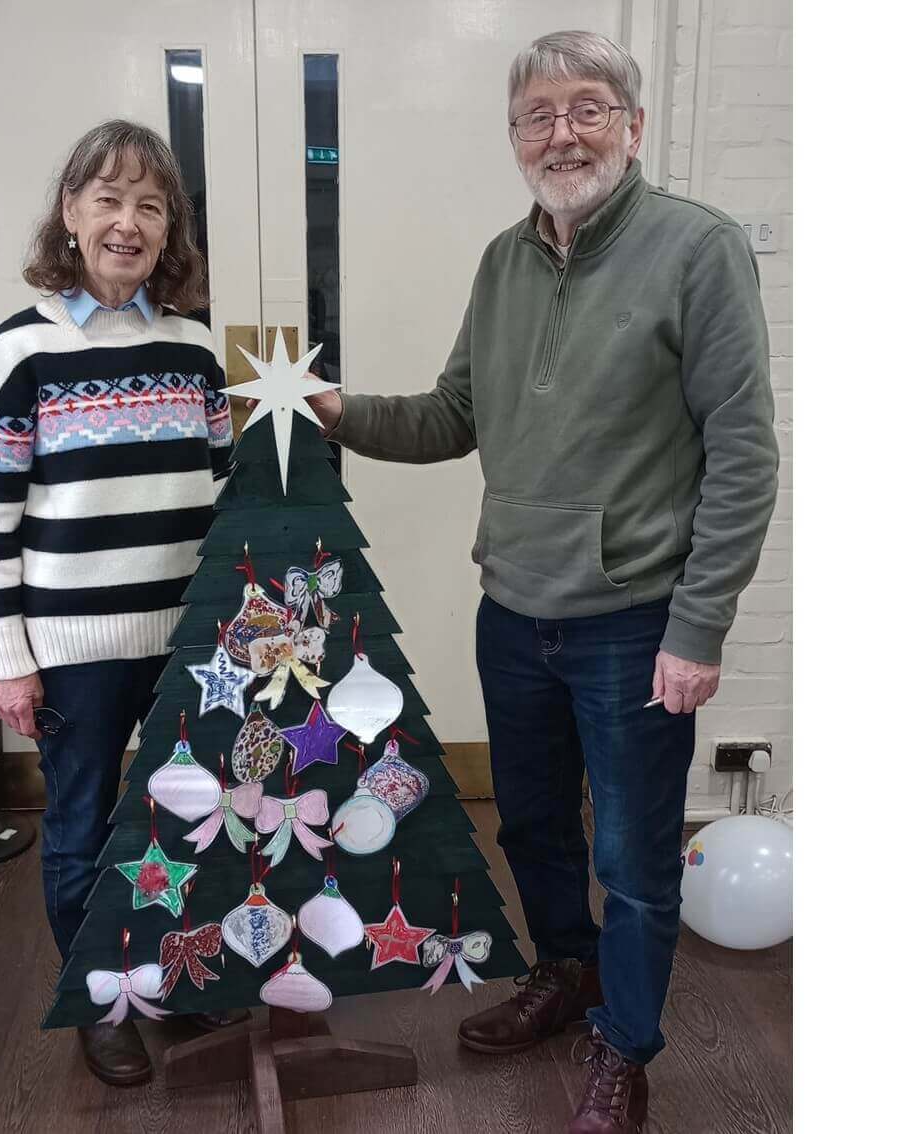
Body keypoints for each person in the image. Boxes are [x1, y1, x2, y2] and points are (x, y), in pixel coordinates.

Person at [303, 30, 778, 1134]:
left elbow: (744, 454)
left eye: (589, 107)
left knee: (634, 852)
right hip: (512, 609)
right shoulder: (503, 263)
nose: (562, 131)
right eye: (537, 115)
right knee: (532, 830)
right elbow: (452, 416)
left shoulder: (696, 250)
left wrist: (698, 628)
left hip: (637, 624)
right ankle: (566, 972)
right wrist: (339, 413)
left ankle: (627, 1043)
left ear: (634, 125)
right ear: (515, 137)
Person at [0, 120, 244, 1087]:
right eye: (108, 200)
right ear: (71, 216)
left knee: (187, 816)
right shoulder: (22, 350)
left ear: (172, 231)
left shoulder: (196, 350)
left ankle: (180, 975)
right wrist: (9, 658)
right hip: (73, 646)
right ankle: (101, 999)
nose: (128, 223)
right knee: (82, 825)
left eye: (151, 206)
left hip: (188, 647)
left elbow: (220, 494)